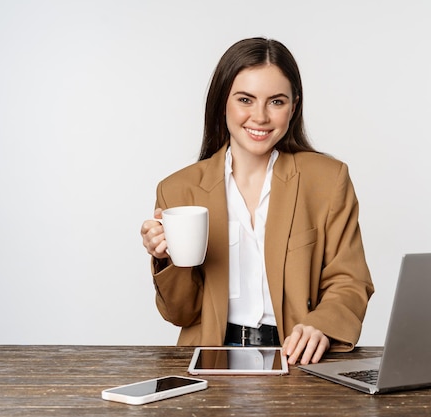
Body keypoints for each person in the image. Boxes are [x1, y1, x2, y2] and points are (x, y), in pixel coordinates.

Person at [140, 37, 374, 365]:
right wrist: (166, 258)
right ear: (223, 102)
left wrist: (320, 325)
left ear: (294, 106)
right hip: (212, 358)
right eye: (245, 100)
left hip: (299, 359)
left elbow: (349, 279)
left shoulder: (327, 180)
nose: (260, 116)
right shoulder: (178, 189)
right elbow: (182, 313)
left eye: (276, 102)